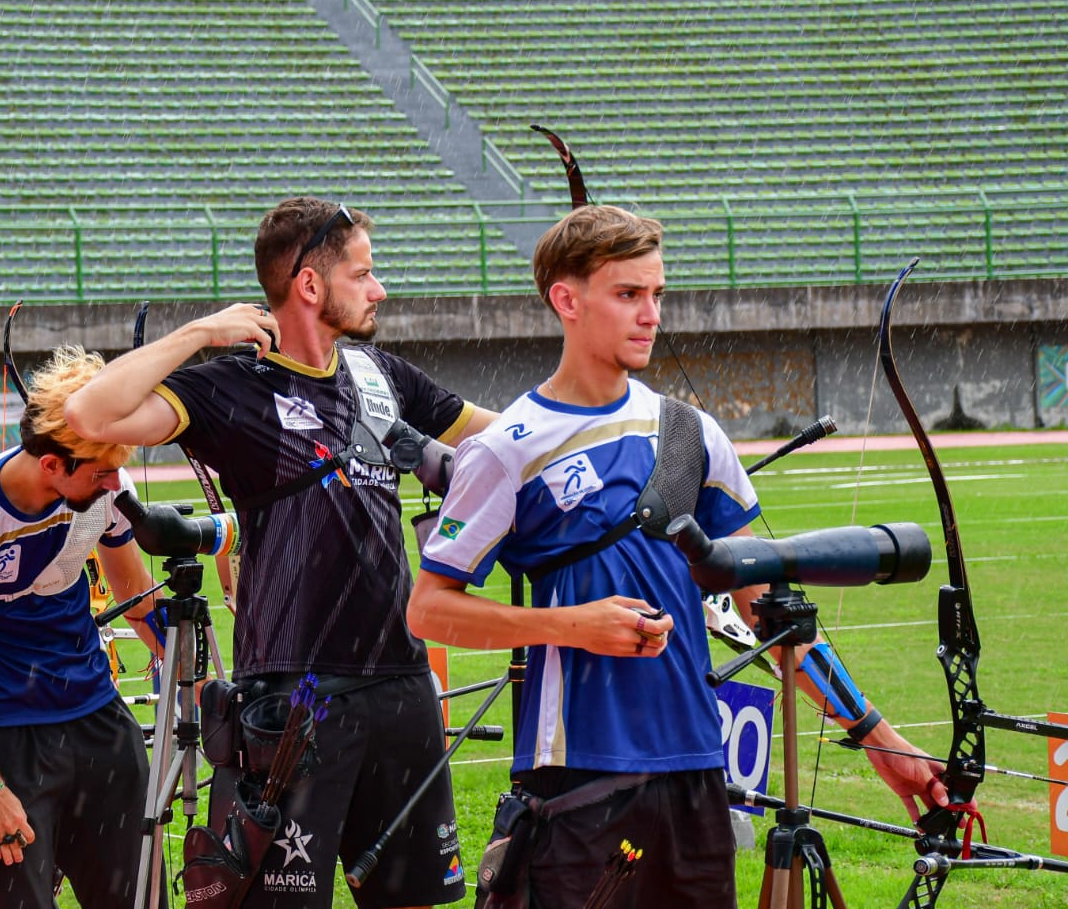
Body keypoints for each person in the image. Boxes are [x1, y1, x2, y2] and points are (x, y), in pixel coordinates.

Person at [406, 204, 948, 908]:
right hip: (576, 780)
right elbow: (430, 607)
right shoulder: (508, 446)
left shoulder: (693, 433)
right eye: (628, 294)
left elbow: (771, 611)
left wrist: (880, 739)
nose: (650, 314)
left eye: (657, 294)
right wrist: (572, 624)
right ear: (566, 300)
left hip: (697, 773)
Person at [66, 197, 495, 909]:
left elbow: (504, 441)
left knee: (410, 899)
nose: (379, 289)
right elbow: (88, 417)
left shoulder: (379, 374)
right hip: (294, 698)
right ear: (309, 286)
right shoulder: (233, 387)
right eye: (364, 274)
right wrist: (203, 330)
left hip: (401, 680)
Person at [0, 345, 164, 909]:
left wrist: (194, 668)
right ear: (53, 465)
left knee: (138, 900)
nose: (114, 484)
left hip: (98, 720)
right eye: (102, 473)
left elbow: (137, 595)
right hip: (1, 737)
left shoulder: (104, 485)